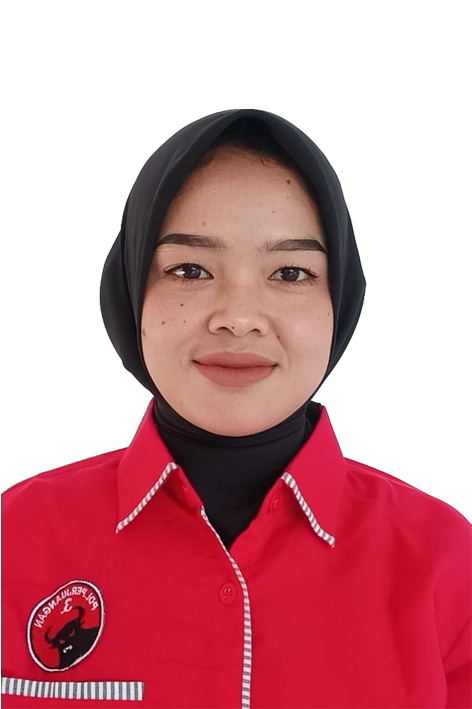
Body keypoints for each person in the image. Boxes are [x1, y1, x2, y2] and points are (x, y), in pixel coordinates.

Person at [1, 109, 471, 709]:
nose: (239, 316)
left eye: (291, 272)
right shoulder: (14, 537)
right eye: (189, 269)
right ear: (131, 293)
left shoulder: (447, 562)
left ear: (340, 300)